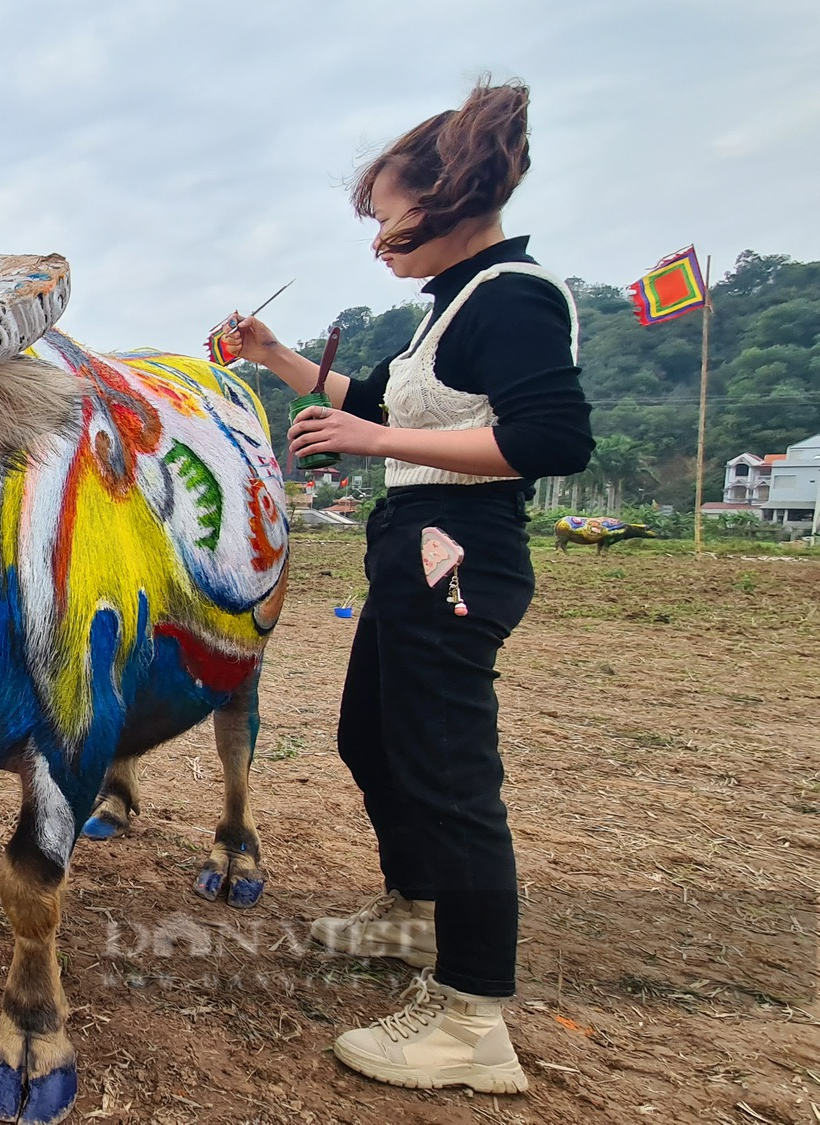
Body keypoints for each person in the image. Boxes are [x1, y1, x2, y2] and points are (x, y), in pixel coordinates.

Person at [221, 80, 592, 1094]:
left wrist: (371, 440)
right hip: (412, 546)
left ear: (446, 199)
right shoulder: (454, 304)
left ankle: (471, 1021)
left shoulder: (515, 298)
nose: (377, 240)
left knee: (448, 776)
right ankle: (413, 906)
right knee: (367, 736)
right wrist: (272, 358)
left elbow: (550, 437)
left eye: (384, 219)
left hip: (456, 552)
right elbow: (374, 395)